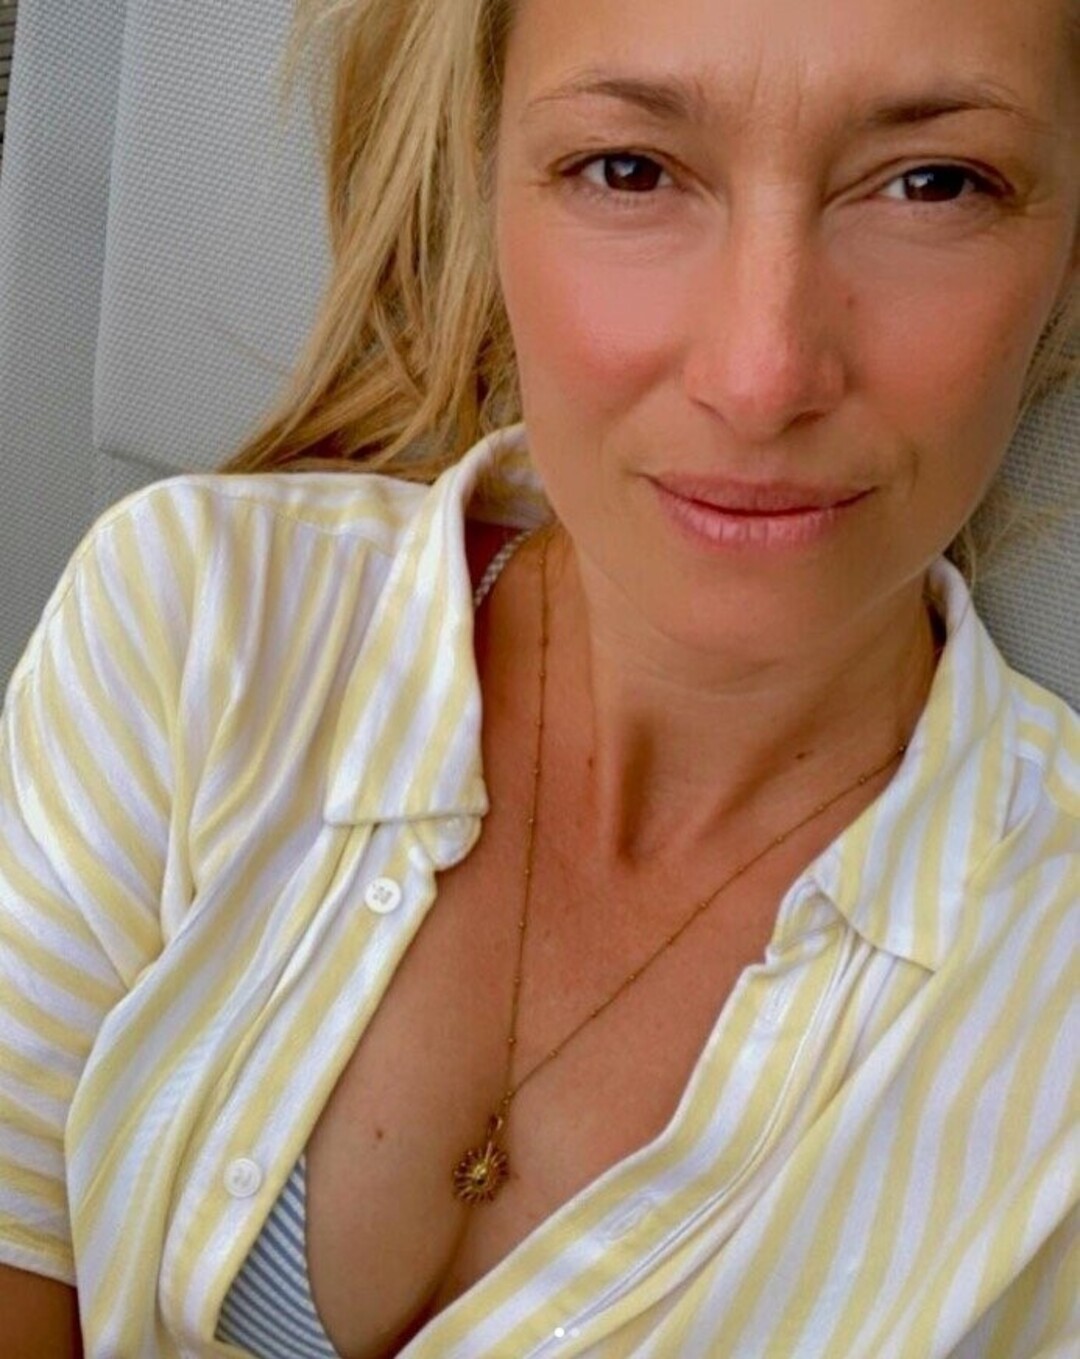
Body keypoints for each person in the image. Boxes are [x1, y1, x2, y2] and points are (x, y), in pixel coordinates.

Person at [1, 0, 1077, 1354]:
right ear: (489, 186)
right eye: (629, 169)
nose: (761, 378)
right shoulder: (196, 618)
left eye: (935, 184)